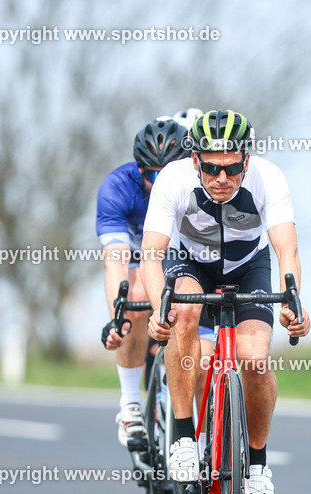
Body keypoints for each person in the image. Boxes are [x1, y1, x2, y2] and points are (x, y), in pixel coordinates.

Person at [141, 109, 311, 494]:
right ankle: (183, 436)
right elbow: (151, 256)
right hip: (190, 263)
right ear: (195, 160)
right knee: (182, 311)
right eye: (213, 168)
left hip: (247, 265)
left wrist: (293, 303)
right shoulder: (174, 179)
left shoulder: (269, 178)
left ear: (246, 160)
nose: (222, 178)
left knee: (254, 358)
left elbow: (286, 250)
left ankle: (256, 466)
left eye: (232, 167)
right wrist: (157, 309)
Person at [97, 110, 214, 449]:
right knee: (132, 291)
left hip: (183, 259)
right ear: (139, 169)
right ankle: (131, 403)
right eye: (152, 173)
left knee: (203, 358)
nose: (160, 180)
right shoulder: (117, 188)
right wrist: (117, 317)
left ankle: (204, 444)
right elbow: (115, 260)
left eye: (169, 172)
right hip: (138, 257)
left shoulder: (200, 186)